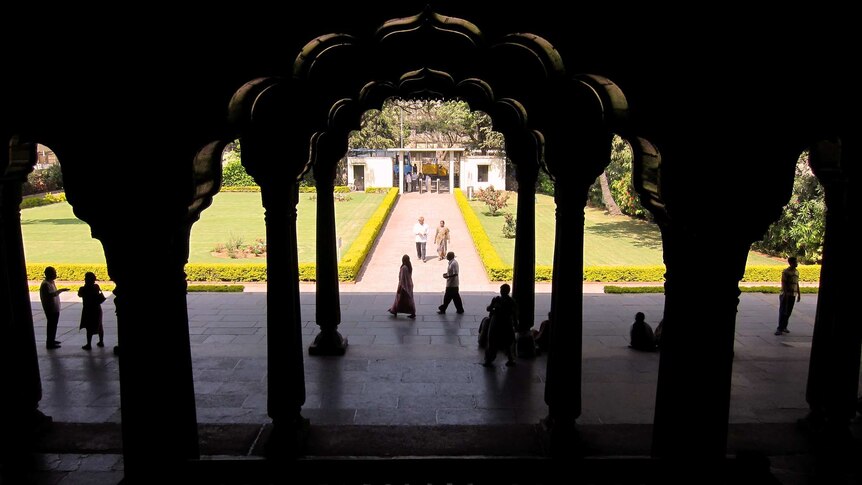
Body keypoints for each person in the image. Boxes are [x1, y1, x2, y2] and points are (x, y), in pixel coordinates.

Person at [483, 284, 517, 367]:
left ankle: (489, 359)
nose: (501, 292)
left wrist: (493, 305)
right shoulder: (511, 301)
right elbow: (515, 313)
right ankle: (510, 359)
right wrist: (515, 322)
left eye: (502, 290)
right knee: (507, 342)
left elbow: (488, 309)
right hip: (505, 322)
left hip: (497, 321)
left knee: (492, 341)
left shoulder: (498, 300)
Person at [40, 266, 69, 349]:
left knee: (53, 325)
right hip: (50, 308)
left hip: (54, 307)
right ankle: (49, 342)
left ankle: (52, 340)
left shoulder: (51, 282)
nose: (55, 274)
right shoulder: (46, 284)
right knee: (51, 325)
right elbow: (50, 295)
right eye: (54, 273)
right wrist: (60, 290)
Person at [78, 272, 107, 350]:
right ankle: (101, 341)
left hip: (88, 309)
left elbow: (79, 294)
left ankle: (89, 344)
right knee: (99, 325)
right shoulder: (96, 287)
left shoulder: (83, 289)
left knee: (89, 327)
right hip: (97, 309)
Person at [775, 256, 801, 336]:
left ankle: (784, 327)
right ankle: (779, 328)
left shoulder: (796, 272)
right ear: (791, 263)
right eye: (795, 262)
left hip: (793, 295)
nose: (797, 263)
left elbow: (796, 283)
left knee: (788, 311)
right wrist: (785, 294)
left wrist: (799, 294)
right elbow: (784, 284)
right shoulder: (786, 272)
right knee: (783, 311)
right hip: (786, 295)